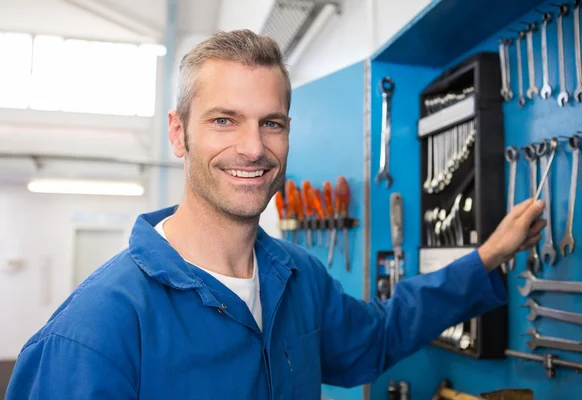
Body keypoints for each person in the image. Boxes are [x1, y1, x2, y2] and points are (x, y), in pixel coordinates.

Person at [6, 30, 545, 399]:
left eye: (272, 123)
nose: (252, 148)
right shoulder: (93, 332)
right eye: (223, 120)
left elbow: (377, 336)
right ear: (178, 133)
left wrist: (490, 255)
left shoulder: (296, 276)